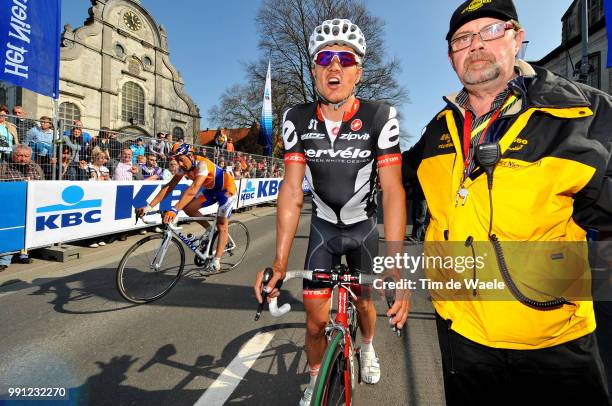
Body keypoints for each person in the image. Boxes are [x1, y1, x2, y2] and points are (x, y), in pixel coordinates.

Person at [401, 1, 612, 405]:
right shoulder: (438, 130)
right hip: (462, 340)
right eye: (463, 38)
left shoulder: (585, 113)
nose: (476, 44)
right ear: (451, 56)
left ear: (517, 38)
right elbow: (391, 179)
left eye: (491, 31)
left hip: (554, 347)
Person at [253, 18, 408, 405]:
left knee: (365, 301)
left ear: (358, 70)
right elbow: (291, 190)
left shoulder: (380, 116)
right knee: (315, 322)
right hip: (322, 229)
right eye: (325, 57)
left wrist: (395, 262)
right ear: (314, 69)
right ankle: (316, 380)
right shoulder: (296, 118)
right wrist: (277, 261)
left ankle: (368, 348)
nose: (334, 65)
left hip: (363, 229)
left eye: (345, 58)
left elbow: (392, 190)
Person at [136, 143, 237, 273]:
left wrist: (174, 210)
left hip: (226, 191)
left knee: (222, 225)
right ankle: (210, 229)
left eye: (181, 159)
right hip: (210, 191)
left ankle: (216, 260)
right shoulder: (183, 168)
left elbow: (193, 189)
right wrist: (149, 207)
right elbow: (169, 186)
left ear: (190, 155)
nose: (180, 164)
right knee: (189, 208)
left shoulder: (202, 165)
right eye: (176, 160)